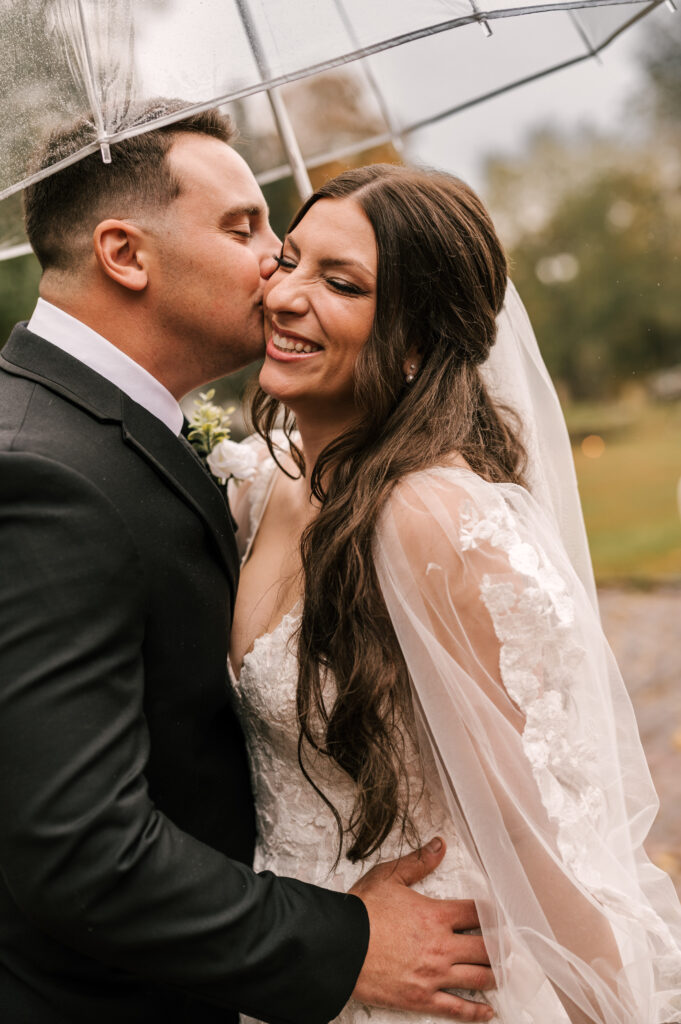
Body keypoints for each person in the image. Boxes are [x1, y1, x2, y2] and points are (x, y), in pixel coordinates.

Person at [0, 109, 496, 1024]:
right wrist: (347, 946)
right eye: (245, 227)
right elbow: (76, 847)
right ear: (125, 253)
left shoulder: (125, 442)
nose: (276, 261)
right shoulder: (45, 472)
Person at [226, 164, 681, 1024]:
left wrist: (612, 1008)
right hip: (311, 962)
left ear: (412, 344)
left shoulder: (427, 520)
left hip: (434, 978)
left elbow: (529, 830)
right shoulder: (258, 489)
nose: (286, 295)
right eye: (288, 259)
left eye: (341, 282)